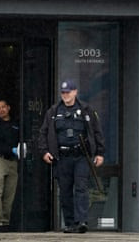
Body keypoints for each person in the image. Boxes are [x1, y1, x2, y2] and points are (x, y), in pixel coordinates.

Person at [38, 79, 105, 234]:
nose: (65, 95)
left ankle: (82, 221)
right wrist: (44, 151)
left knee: (81, 188)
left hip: (81, 155)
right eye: (63, 92)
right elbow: (43, 132)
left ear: (75, 92)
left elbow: (97, 132)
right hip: (62, 156)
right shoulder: (53, 112)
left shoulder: (86, 110)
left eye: (68, 92)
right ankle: (70, 223)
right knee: (65, 191)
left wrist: (100, 153)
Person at [0, 99, 19, 231]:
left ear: (8, 107)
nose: (1, 110)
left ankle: (6, 221)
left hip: (12, 161)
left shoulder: (15, 124)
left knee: (9, 193)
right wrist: (11, 149)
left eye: (3, 107)